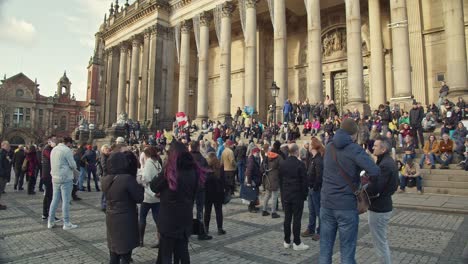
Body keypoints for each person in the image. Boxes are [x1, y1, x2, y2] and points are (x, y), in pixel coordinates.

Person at [319, 119, 380, 264]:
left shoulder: (329, 147)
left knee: (325, 249)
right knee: (347, 251)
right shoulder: (354, 149)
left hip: (327, 203)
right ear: (354, 134)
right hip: (346, 205)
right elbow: (375, 171)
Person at [150, 141, 205, 264]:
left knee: (166, 254)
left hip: (169, 220)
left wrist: (165, 168)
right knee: (183, 251)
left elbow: (154, 186)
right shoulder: (194, 171)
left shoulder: (169, 172)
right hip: (185, 218)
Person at [102, 151, 144, 264]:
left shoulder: (105, 179)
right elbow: (139, 197)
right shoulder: (127, 179)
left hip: (111, 215)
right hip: (125, 217)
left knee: (114, 250)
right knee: (125, 252)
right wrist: (140, 185)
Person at [368, 136, 399, 264]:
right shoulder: (385, 161)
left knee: (380, 242)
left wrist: (364, 188)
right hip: (382, 205)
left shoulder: (385, 165)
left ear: (383, 149)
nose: (373, 147)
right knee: (380, 240)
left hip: (380, 208)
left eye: (375, 146)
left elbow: (376, 187)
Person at [280, 143, 309, 251]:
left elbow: (281, 180)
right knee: (296, 219)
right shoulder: (300, 164)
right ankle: (297, 242)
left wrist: (282, 194)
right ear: (296, 152)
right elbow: (304, 182)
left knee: (287, 218)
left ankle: (287, 241)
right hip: (297, 195)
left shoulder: (283, 163)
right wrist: (304, 194)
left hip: (286, 195)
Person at [48, 137, 79, 230]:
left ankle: (50, 221)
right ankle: (66, 223)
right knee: (66, 201)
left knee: (55, 200)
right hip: (65, 178)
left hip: (55, 177)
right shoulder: (67, 150)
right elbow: (73, 165)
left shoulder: (54, 149)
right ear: (68, 143)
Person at [137, 146, 162, 248]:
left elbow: (145, 180)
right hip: (157, 195)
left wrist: (140, 177)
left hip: (148, 196)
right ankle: (160, 240)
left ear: (146, 155)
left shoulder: (148, 163)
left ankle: (140, 240)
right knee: (157, 219)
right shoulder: (158, 163)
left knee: (142, 218)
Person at [189, 141, 212, 241]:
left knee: (188, 209)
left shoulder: (187, 158)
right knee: (199, 211)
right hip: (200, 187)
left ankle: (187, 231)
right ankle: (201, 232)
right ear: (198, 147)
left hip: (189, 188)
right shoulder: (202, 159)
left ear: (190, 147)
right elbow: (207, 173)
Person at [302, 137, 324, 241]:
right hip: (311, 189)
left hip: (316, 190)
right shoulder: (313, 158)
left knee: (318, 211)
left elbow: (319, 176)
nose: (309, 146)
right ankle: (311, 228)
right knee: (311, 210)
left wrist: (315, 187)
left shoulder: (318, 160)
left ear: (313, 146)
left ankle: (320, 231)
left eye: (310, 144)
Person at [204, 152, 226, 235]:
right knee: (218, 211)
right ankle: (220, 229)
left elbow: (204, 181)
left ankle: (206, 229)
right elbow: (223, 180)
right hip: (218, 192)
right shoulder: (220, 167)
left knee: (207, 211)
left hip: (208, 192)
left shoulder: (206, 167)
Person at [262, 141, 282, 219]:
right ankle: (273, 212)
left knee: (267, 195)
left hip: (267, 178)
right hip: (275, 178)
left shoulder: (266, 157)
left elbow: (262, 168)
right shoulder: (278, 157)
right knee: (274, 196)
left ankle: (264, 210)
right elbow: (282, 166)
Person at [243, 147, 261, 213]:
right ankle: (251, 207)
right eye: (257, 153)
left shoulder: (253, 159)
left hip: (254, 179)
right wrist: (249, 182)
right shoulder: (251, 160)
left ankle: (253, 206)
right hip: (252, 180)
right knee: (252, 194)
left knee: (255, 193)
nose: (258, 154)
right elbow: (249, 171)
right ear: (254, 153)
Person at [100, 144, 111, 211]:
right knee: (105, 191)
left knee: (106, 191)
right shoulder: (103, 157)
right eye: (106, 149)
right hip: (106, 175)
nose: (108, 150)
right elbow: (104, 167)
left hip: (107, 175)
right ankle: (103, 205)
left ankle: (104, 204)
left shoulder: (107, 156)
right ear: (103, 150)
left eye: (108, 149)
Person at [0, 141, 11, 210]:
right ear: (3, 145)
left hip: (3, 175)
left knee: (1, 190)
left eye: (8, 146)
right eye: (7, 146)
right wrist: (3, 173)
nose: (8, 147)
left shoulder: (5, 153)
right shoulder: (2, 153)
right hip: (1, 175)